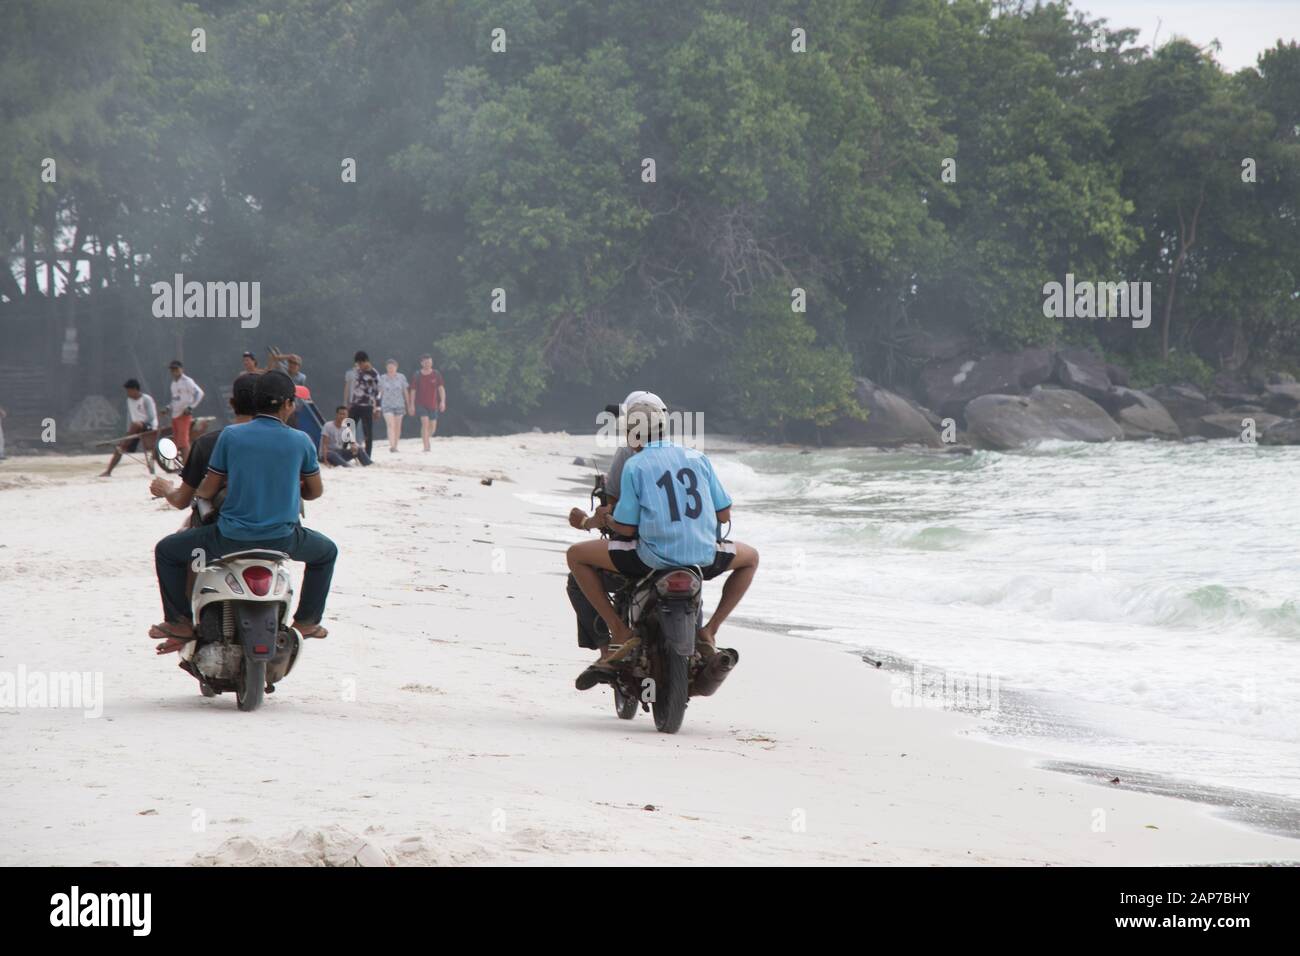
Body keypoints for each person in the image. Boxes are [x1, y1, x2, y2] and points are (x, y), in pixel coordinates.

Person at [567, 398, 759, 689]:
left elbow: (628, 528)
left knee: (576, 556)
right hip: (703, 555)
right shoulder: (697, 457)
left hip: (652, 556)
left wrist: (604, 521)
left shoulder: (635, 464)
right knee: (751, 558)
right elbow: (724, 513)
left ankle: (619, 632)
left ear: (633, 435)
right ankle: (710, 631)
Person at [150, 370, 336, 652]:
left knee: (167, 551)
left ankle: (180, 622)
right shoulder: (301, 441)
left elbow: (207, 491)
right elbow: (315, 492)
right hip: (283, 539)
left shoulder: (230, 437)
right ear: (287, 404)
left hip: (229, 539)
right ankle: (307, 620)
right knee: (326, 553)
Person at [565, 390, 658, 655]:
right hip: (687, 553)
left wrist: (586, 522)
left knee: (577, 578)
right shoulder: (688, 457)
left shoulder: (629, 457)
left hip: (638, 555)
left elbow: (616, 513)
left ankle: (609, 647)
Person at [150, 372, 258, 512]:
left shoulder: (211, 442)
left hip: (230, 529)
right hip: (286, 530)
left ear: (232, 403)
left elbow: (184, 499)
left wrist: (167, 489)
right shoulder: (289, 440)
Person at [100, 379, 159, 477]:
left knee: (136, 426)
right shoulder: (129, 400)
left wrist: (139, 423)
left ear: (135, 389)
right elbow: (130, 417)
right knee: (121, 447)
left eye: (129, 391)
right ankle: (108, 471)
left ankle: (124, 443)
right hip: (135, 428)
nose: (127, 393)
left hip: (149, 426)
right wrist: (128, 432)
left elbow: (151, 417)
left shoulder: (146, 399)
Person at [343, 350, 379, 456]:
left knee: (367, 431)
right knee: (348, 428)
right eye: (357, 364)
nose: (359, 366)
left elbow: (378, 392)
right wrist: (349, 403)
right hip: (355, 405)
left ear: (365, 361)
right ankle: (343, 450)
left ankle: (368, 455)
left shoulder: (374, 374)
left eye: (360, 364)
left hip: (367, 406)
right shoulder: (358, 372)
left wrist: (377, 408)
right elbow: (355, 388)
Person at [166, 360, 205, 456]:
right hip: (175, 415)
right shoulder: (173, 384)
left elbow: (199, 393)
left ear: (181, 369)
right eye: (172, 369)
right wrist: (168, 407)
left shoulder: (187, 381)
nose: (174, 371)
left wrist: (191, 407)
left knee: (183, 443)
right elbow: (175, 399)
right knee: (177, 442)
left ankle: (187, 466)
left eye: (176, 369)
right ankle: (183, 466)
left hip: (183, 414)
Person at [409, 354, 446, 451]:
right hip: (420, 404)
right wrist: (411, 405)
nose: (428, 364)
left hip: (433, 404)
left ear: (432, 362)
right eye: (425, 362)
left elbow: (441, 389)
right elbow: (413, 391)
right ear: (421, 363)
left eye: (429, 362)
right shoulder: (417, 375)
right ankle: (426, 446)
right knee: (425, 423)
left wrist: (442, 401)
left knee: (432, 428)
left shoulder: (436, 374)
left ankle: (426, 439)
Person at [378, 359, 409, 453]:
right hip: (387, 405)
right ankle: (392, 445)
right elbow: (380, 392)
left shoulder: (401, 377)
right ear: (386, 368)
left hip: (399, 404)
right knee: (390, 425)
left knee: (398, 426)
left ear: (396, 367)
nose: (391, 369)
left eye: (392, 367)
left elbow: (405, 391)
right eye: (389, 367)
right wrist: (376, 403)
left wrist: (409, 404)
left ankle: (395, 445)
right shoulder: (382, 378)